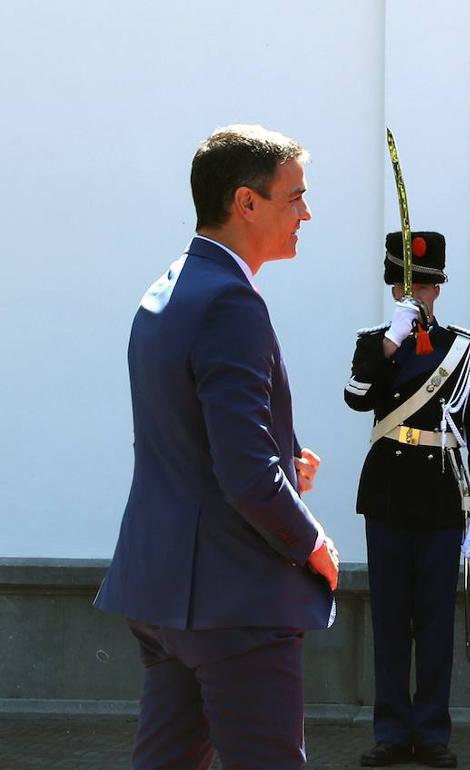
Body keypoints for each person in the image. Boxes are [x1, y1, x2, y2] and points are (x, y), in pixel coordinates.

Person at [94, 124, 339, 769]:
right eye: (295, 198)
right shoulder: (231, 301)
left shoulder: (168, 290)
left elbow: (187, 436)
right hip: (234, 597)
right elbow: (245, 473)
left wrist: (284, 462)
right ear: (246, 202)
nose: (306, 214)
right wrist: (313, 542)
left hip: (162, 589)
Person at [344, 231, 470, 768]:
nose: (421, 295)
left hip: (439, 497)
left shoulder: (465, 349)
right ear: (394, 288)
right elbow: (356, 397)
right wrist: (391, 340)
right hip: (387, 493)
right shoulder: (373, 342)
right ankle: (390, 731)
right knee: (388, 618)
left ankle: (431, 731)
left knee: (434, 620)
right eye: (411, 285)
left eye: (428, 286)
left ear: (439, 289)